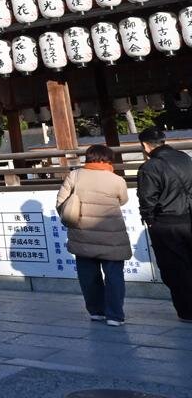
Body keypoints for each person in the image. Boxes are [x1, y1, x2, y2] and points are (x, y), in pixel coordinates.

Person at [56, 144, 131, 326]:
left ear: (88, 158)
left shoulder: (75, 175)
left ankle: (97, 311)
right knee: (114, 276)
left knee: (88, 275)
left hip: (83, 234)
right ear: (108, 159)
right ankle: (115, 315)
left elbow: (61, 202)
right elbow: (123, 200)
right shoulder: (116, 179)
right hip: (112, 236)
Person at [136, 129, 192, 321]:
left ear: (144, 145)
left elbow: (147, 199)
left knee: (174, 268)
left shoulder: (150, 167)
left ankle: (187, 311)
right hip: (189, 217)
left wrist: (150, 221)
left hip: (167, 224)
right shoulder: (184, 158)